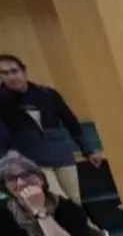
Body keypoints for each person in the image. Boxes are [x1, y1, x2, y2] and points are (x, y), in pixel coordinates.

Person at [0, 55, 103, 202]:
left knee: (75, 199)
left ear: (24, 71)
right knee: (58, 200)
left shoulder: (47, 94)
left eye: (14, 71)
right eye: (4, 73)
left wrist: (87, 150)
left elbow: (70, 121)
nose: (11, 77)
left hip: (60, 154)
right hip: (32, 160)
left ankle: (81, 218)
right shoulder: (2, 101)